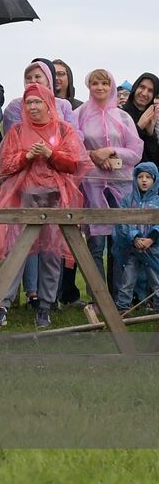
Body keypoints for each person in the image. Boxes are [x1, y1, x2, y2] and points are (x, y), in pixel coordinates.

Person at [0, 83, 87, 329]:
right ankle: (3, 305)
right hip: (23, 198)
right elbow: (4, 166)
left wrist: (51, 154)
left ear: (49, 104)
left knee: (51, 252)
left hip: (55, 199)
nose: (32, 106)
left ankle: (45, 306)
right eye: (28, 102)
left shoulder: (64, 129)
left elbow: (74, 164)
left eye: (37, 101)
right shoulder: (17, 131)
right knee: (17, 253)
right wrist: (26, 156)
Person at [74, 69, 142, 298]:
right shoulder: (79, 114)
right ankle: (98, 297)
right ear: (89, 86)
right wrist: (94, 155)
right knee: (95, 243)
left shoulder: (123, 117)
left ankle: (119, 297)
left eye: (105, 83)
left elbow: (135, 152)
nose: (100, 88)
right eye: (95, 83)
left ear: (111, 86)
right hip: (91, 186)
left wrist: (111, 150)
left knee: (121, 242)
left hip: (121, 186)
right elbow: (73, 147)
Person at [111, 163, 159, 312]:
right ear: (134, 179)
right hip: (132, 250)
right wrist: (135, 238)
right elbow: (123, 224)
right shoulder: (127, 201)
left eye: (148, 177)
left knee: (156, 281)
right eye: (140, 177)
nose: (144, 180)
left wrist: (151, 239)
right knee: (127, 281)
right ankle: (122, 309)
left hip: (153, 250)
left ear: (155, 180)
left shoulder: (157, 202)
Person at [2, 59, 78, 135]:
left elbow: (74, 136)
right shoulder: (16, 106)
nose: (33, 81)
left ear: (49, 80)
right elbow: (12, 136)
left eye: (37, 77)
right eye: (28, 78)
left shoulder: (63, 105)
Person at [119, 72, 159, 166]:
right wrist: (139, 126)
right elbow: (119, 147)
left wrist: (150, 133)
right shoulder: (119, 114)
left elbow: (154, 159)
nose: (144, 93)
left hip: (147, 177)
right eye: (142, 87)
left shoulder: (153, 117)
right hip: (123, 176)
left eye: (150, 90)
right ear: (135, 87)